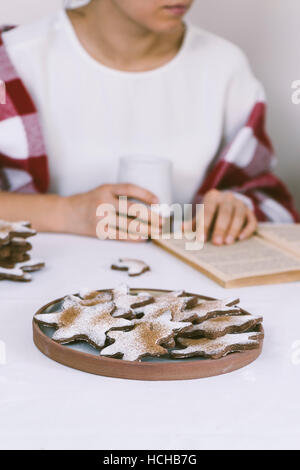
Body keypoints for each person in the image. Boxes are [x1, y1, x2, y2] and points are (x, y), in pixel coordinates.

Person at [0, 0, 298, 245]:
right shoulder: (14, 59)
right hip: (43, 298)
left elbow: (260, 193)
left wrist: (236, 208)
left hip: (185, 300)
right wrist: (67, 213)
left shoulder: (225, 65)